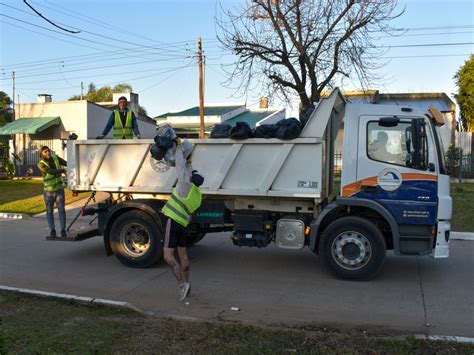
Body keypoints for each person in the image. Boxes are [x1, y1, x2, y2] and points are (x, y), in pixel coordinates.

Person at [151, 131, 204, 302]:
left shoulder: (183, 185)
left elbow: (181, 165)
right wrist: (190, 164)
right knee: (183, 256)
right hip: (182, 224)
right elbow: (187, 169)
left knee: (168, 256)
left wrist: (178, 145)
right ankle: (188, 284)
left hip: (171, 221)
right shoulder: (196, 194)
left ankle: (181, 284)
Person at [37, 146, 67, 237]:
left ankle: (63, 230)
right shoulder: (41, 164)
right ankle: (52, 230)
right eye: (45, 152)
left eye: (49, 151)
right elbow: (50, 171)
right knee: (49, 211)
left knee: (61, 210)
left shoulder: (56, 158)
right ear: (41, 154)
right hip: (49, 192)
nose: (48, 153)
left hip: (59, 190)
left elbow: (66, 163)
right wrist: (62, 170)